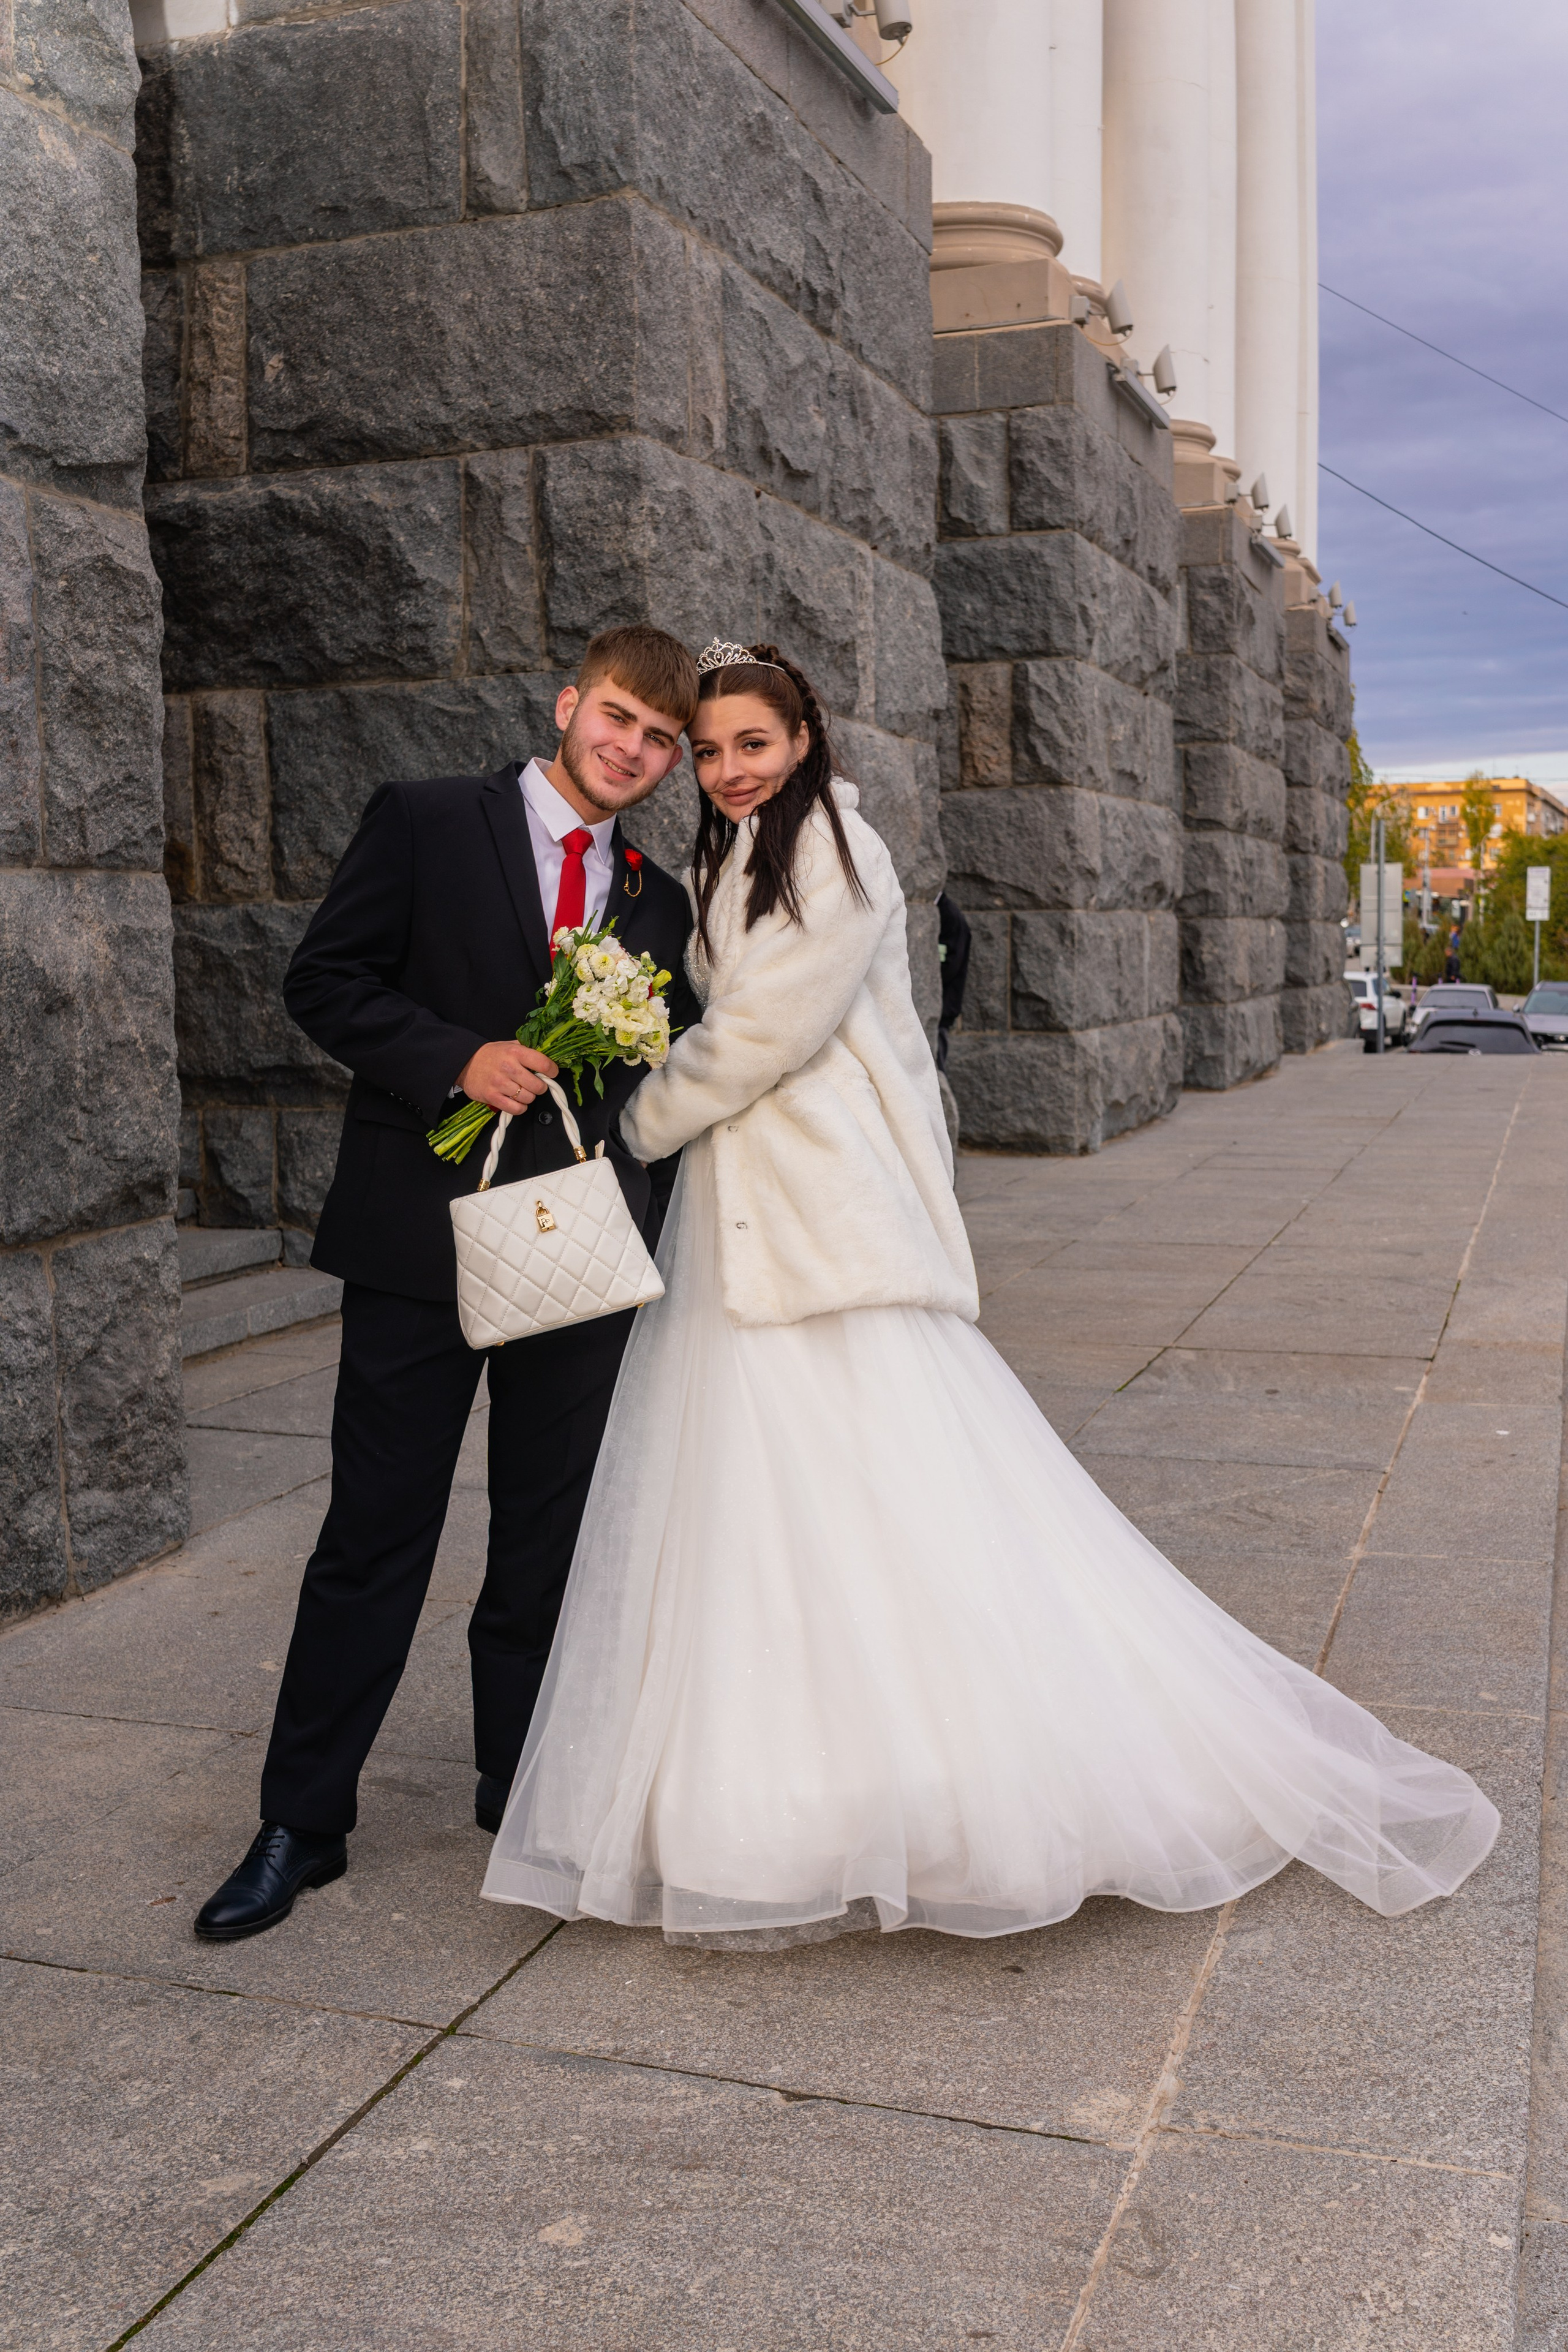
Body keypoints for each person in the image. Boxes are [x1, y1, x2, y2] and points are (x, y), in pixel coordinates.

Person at [482, 639, 1498, 1945]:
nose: (733, 769)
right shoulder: (723, 856)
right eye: (715, 748)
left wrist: (631, 1124)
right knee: (753, 1499)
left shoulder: (831, 858)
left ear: (802, 745)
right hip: (746, 1221)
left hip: (827, 1214)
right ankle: (777, 1785)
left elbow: (758, 1036)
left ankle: (951, 1778)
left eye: (755, 744)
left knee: (874, 1489)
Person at [195, 625, 703, 1941]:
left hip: (576, 1249)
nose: (632, 751)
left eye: (658, 741)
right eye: (618, 720)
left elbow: (668, 1064)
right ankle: (301, 1822)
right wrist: (453, 1060)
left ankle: (516, 1790)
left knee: (545, 1540)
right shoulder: (425, 821)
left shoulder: (655, 898)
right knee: (373, 1537)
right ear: (567, 704)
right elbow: (324, 982)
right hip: (419, 1245)